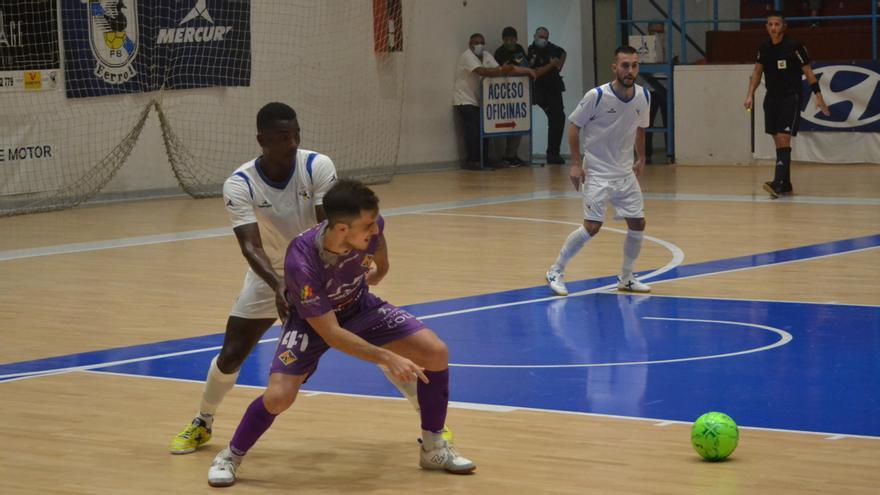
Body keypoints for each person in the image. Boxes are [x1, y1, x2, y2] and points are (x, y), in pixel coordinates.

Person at [170, 102, 442, 455]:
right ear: (261, 140)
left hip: (326, 269)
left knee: (383, 346)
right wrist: (280, 285)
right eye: (283, 136)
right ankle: (203, 420)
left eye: (296, 133)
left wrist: (356, 268)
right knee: (232, 352)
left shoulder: (316, 165)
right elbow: (250, 247)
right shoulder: (239, 183)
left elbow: (326, 227)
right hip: (271, 275)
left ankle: (431, 422)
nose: (293, 141)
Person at [207, 179, 476, 487]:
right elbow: (332, 333)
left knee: (435, 351)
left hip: (359, 305)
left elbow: (382, 265)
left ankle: (433, 447)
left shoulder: (373, 230)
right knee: (279, 396)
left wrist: (375, 274)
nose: (375, 229)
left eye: (375, 222)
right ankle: (231, 455)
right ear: (341, 229)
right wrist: (388, 357)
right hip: (312, 322)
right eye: (368, 225)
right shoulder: (302, 258)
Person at [545, 46, 652, 297]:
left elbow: (640, 129)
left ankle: (626, 277)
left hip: (624, 173)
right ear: (614, 67)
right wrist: (574, 163)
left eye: (634, 65)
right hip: (597, 172)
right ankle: (556, 270)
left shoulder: (643, 96)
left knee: (638, 222)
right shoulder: (597, 96)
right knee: (592, 226)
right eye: (625, 65)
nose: (630, 70)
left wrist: (642, 157)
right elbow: (574, 127)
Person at [743, 11, 830, 198]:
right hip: (771, 98)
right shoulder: (764, 47)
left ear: (784, 27)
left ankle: (777, 183)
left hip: (790, 97)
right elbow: (757, 72)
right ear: (766, 27)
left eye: (777, 24)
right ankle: (787, 183)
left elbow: (808, 71)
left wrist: (818, 95)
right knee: (777, 140)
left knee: (784, 138)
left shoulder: (794, 46)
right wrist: (750, 94)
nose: (773, 27)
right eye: (770, 24)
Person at [454, 32, 534, 170]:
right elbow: (483, 72)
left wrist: (527, 70)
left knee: (484, 130)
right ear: (470, 44)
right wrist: (501, 69)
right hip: (465, 100)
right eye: (475, 42)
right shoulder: (467, 56)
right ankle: (472, 160)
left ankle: (483, 159)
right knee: (472, 131)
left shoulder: (486, 55)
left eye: (481, 42)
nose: (479, 45)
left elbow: (501, 69)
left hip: (479, 100)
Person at [527, 26, 567, 165]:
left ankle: (553, 153)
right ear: (535, 36)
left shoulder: (552, 48)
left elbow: (562, 53)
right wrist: (550, 65)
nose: (543, 40)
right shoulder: (531, 52)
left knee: (558, 119)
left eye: (545, 37)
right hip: (540, 91)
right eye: (540, 36)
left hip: (554, 88)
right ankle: (552, 153)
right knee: (555, 118)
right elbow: (535, 72)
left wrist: (558, 65)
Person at [494, 26, 529, 167]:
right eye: (506, 39)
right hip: (505, 94)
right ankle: (506, 156)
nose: (509, 42)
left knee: (519, 124)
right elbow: (503, 70)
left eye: (512, 39)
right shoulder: (500, 52)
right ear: (503, 40)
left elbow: (526, 66)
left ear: (516, 39)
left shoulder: (519, 49)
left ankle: (513, 154)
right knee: (506, 125)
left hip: (520, 93)